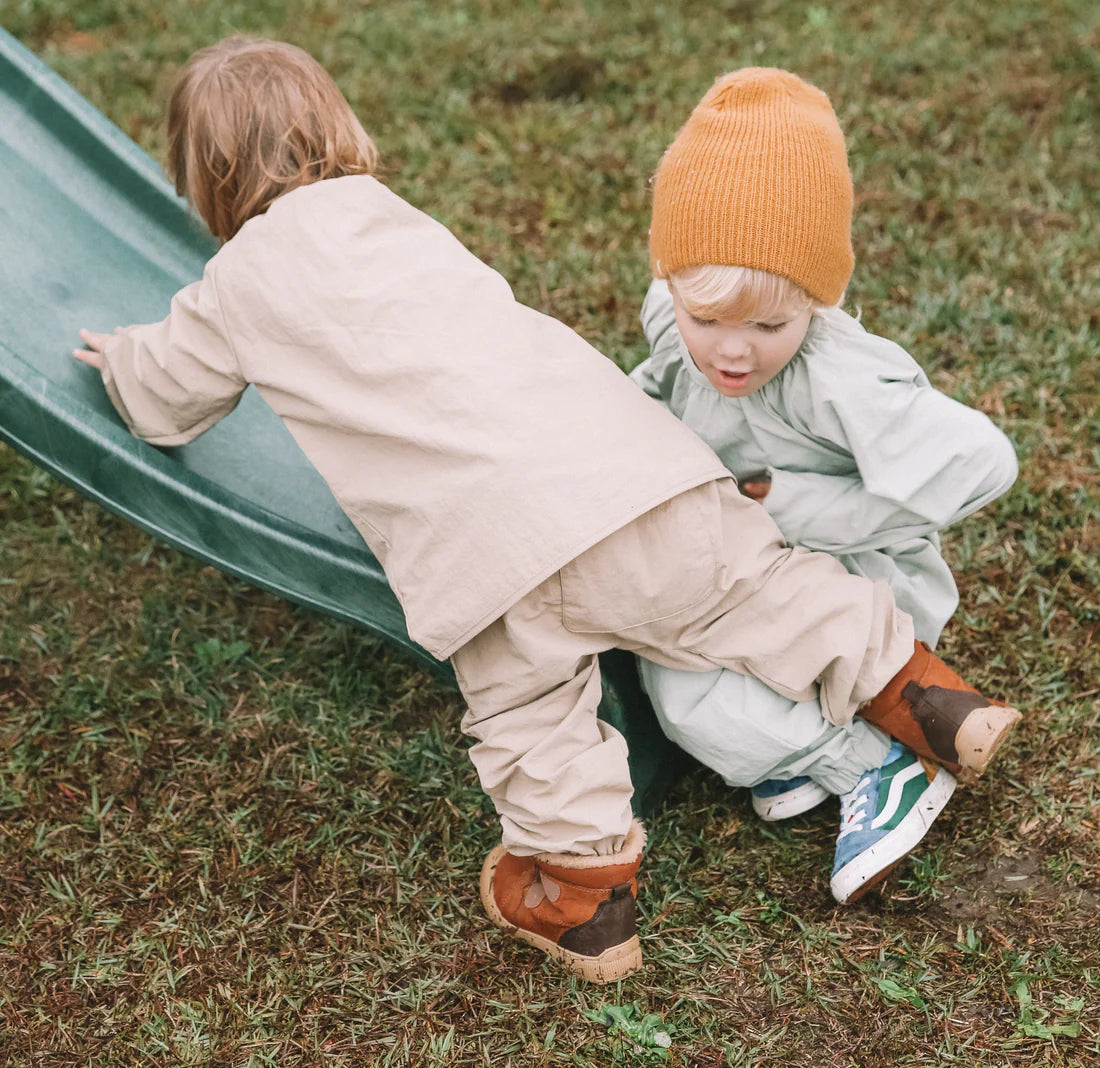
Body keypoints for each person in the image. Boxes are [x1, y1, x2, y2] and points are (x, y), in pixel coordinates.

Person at [74, 38, 1020, 984]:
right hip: (624, 469)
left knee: (533, 719)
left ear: (204, 176)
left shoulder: (235, 284)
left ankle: (584, 904)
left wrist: (123, 359)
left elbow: (165, 400)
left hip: (483, 554)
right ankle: (930, 700)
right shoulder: (396, 217)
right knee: (756, 590)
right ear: (336, 127)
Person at [631, 67, 1019, 904]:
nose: (732, 350)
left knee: (687, 692)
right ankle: (798, 744)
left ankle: (878, 765)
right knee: (669, 671)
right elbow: (658, 378)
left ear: (816, 298)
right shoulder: (675, 323)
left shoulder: (837, 379)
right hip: (747, 568)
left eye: (769, 324)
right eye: (706, 319)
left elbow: (986, 462)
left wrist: (798, 508)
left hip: (858, 588)